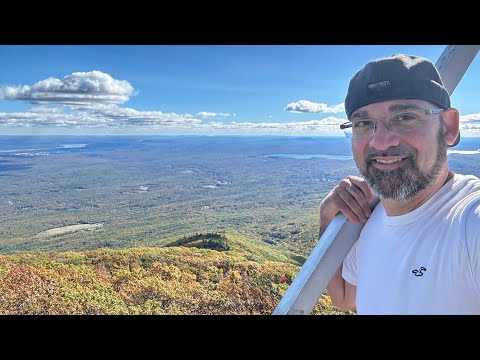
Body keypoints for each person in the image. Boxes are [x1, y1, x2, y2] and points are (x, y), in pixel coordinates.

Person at [320, 53, 480, 315]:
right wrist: (327, 220)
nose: (381, 142)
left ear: (449, 127)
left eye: (405, 117)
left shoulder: (470, 222)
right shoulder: (370, 219)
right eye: (363, 123)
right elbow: (347, 296)